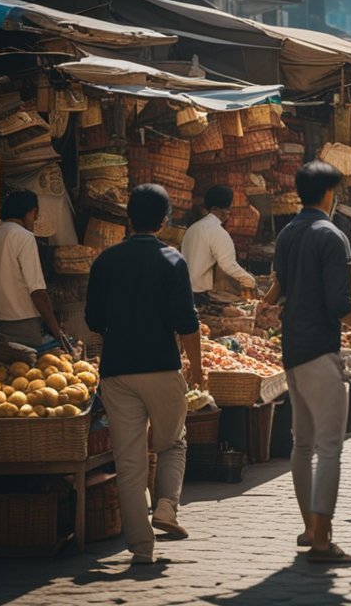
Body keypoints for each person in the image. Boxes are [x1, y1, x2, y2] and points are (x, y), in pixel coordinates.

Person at [85, 184, 203, 564]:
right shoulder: (172, 260)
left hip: (117, 372)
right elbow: (187, 322)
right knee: (172, 442)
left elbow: (94, 320)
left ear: (128, 218)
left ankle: (141, 548)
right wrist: (198, 366)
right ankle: (167, 505)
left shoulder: (105, 261)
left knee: (130, 461)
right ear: (165, 221)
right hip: (162, 367)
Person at [269, 160, 351, 564]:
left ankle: (310, 526)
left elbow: (278, 289)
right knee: (329, 447)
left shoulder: (288, 234)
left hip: (292, 348)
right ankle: (321, 539)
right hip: (319, 348)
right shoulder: (332, 236)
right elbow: (341, 306)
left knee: (303, 444)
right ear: (330, 194)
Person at [0, 190, 68, 350]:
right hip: (20, 323)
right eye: (35, 215)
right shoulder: (23, 236)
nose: (34, 220)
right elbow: (38, 292)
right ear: (31, 212)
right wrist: (58, 332)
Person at [181, 185, 257, 303]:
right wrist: (250, 281)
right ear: (216, 209)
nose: (228, 213)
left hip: (184, 289)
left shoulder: (192, 229)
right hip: (200, 295)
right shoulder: (216, 231)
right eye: (227, 209)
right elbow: (228, 264)